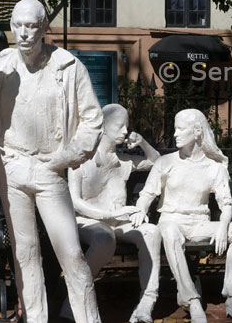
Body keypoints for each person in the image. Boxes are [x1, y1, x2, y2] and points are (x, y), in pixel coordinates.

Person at [0, 0, 103, 323]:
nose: (25, 33)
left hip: (50, 169)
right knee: (24, 253)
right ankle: (35, 318)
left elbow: (93, 119)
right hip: (12, 167)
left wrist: (67, 157)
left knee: (71, 254)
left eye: (32, 26)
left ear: (44, 27)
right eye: (18, 26)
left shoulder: (69, 66)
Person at [135, 109, 232, 323]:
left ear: (197, 131)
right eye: (175, 128)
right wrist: (141, 208)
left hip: (200, 224)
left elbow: (226, 203)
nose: (175, 134)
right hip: (171, 221)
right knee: (169, 231)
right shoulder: (165, 162)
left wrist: (224, 227)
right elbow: (147, 194)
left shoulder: (214, 167)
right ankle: (192, 299)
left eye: (180, 128)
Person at [64, 104, 161, 322]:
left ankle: (146, 302)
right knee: (104, 238)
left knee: (152, 232)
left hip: (119, 222)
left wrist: (143, 142)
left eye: (127, 126)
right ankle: (75, 302)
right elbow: (75, 202)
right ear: (104, 127)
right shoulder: (80, 160)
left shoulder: (124, 161)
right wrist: (109, 215)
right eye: (120, 126)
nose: (126, 131)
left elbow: (158, 162)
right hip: (88, 222)